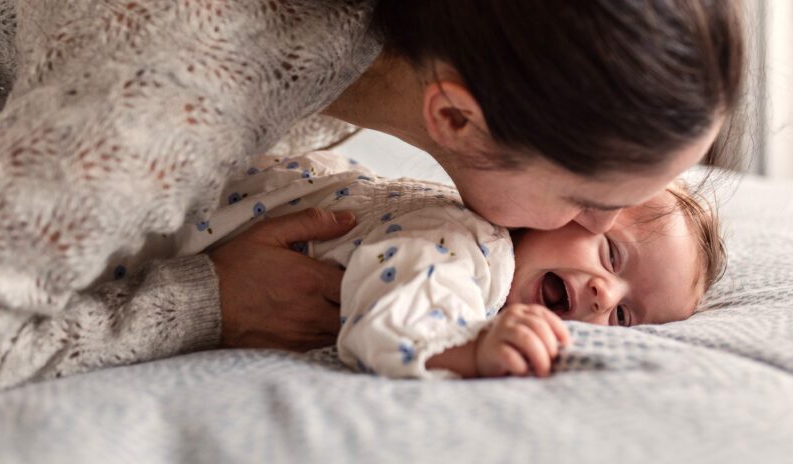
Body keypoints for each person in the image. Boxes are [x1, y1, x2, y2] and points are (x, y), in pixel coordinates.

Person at [0, 0, 742, 404]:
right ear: (456, 119)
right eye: (591, 205)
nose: (591, 238)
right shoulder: (185, 83)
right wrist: (206, 304)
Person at [108, 151, 725, 379]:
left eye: (625, 315)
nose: (601, 296)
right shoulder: (467, 242)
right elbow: (390, 323)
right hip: (135, 225)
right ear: (572, 209)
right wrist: (469, 349)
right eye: (611, 255)